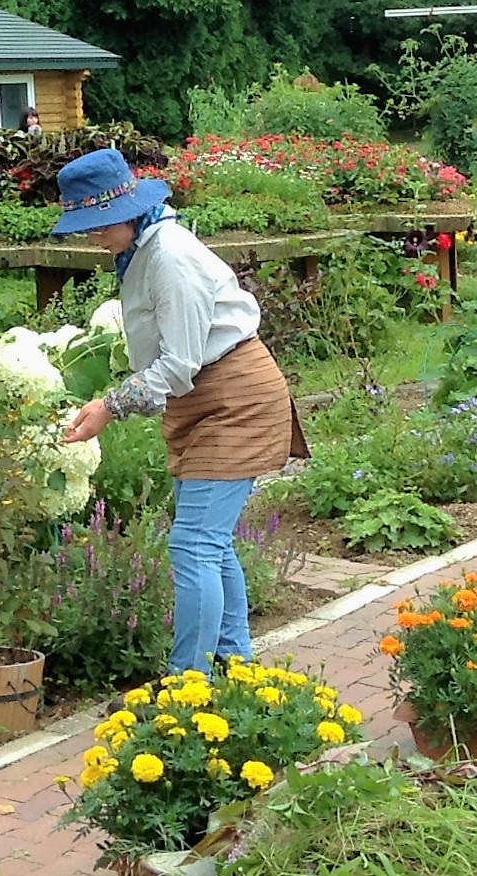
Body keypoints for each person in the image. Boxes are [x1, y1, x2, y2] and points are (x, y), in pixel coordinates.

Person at [56, 148, 305, 673]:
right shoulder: (143, 247)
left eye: (96, 223)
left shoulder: (169, 256)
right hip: (205, 399)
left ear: (125, 210)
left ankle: (187, 684)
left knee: (193, 546)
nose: (91, 235)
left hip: (235, 398)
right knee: (209, 544)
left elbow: (179, 365)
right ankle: (235, 666)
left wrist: (110, 405)